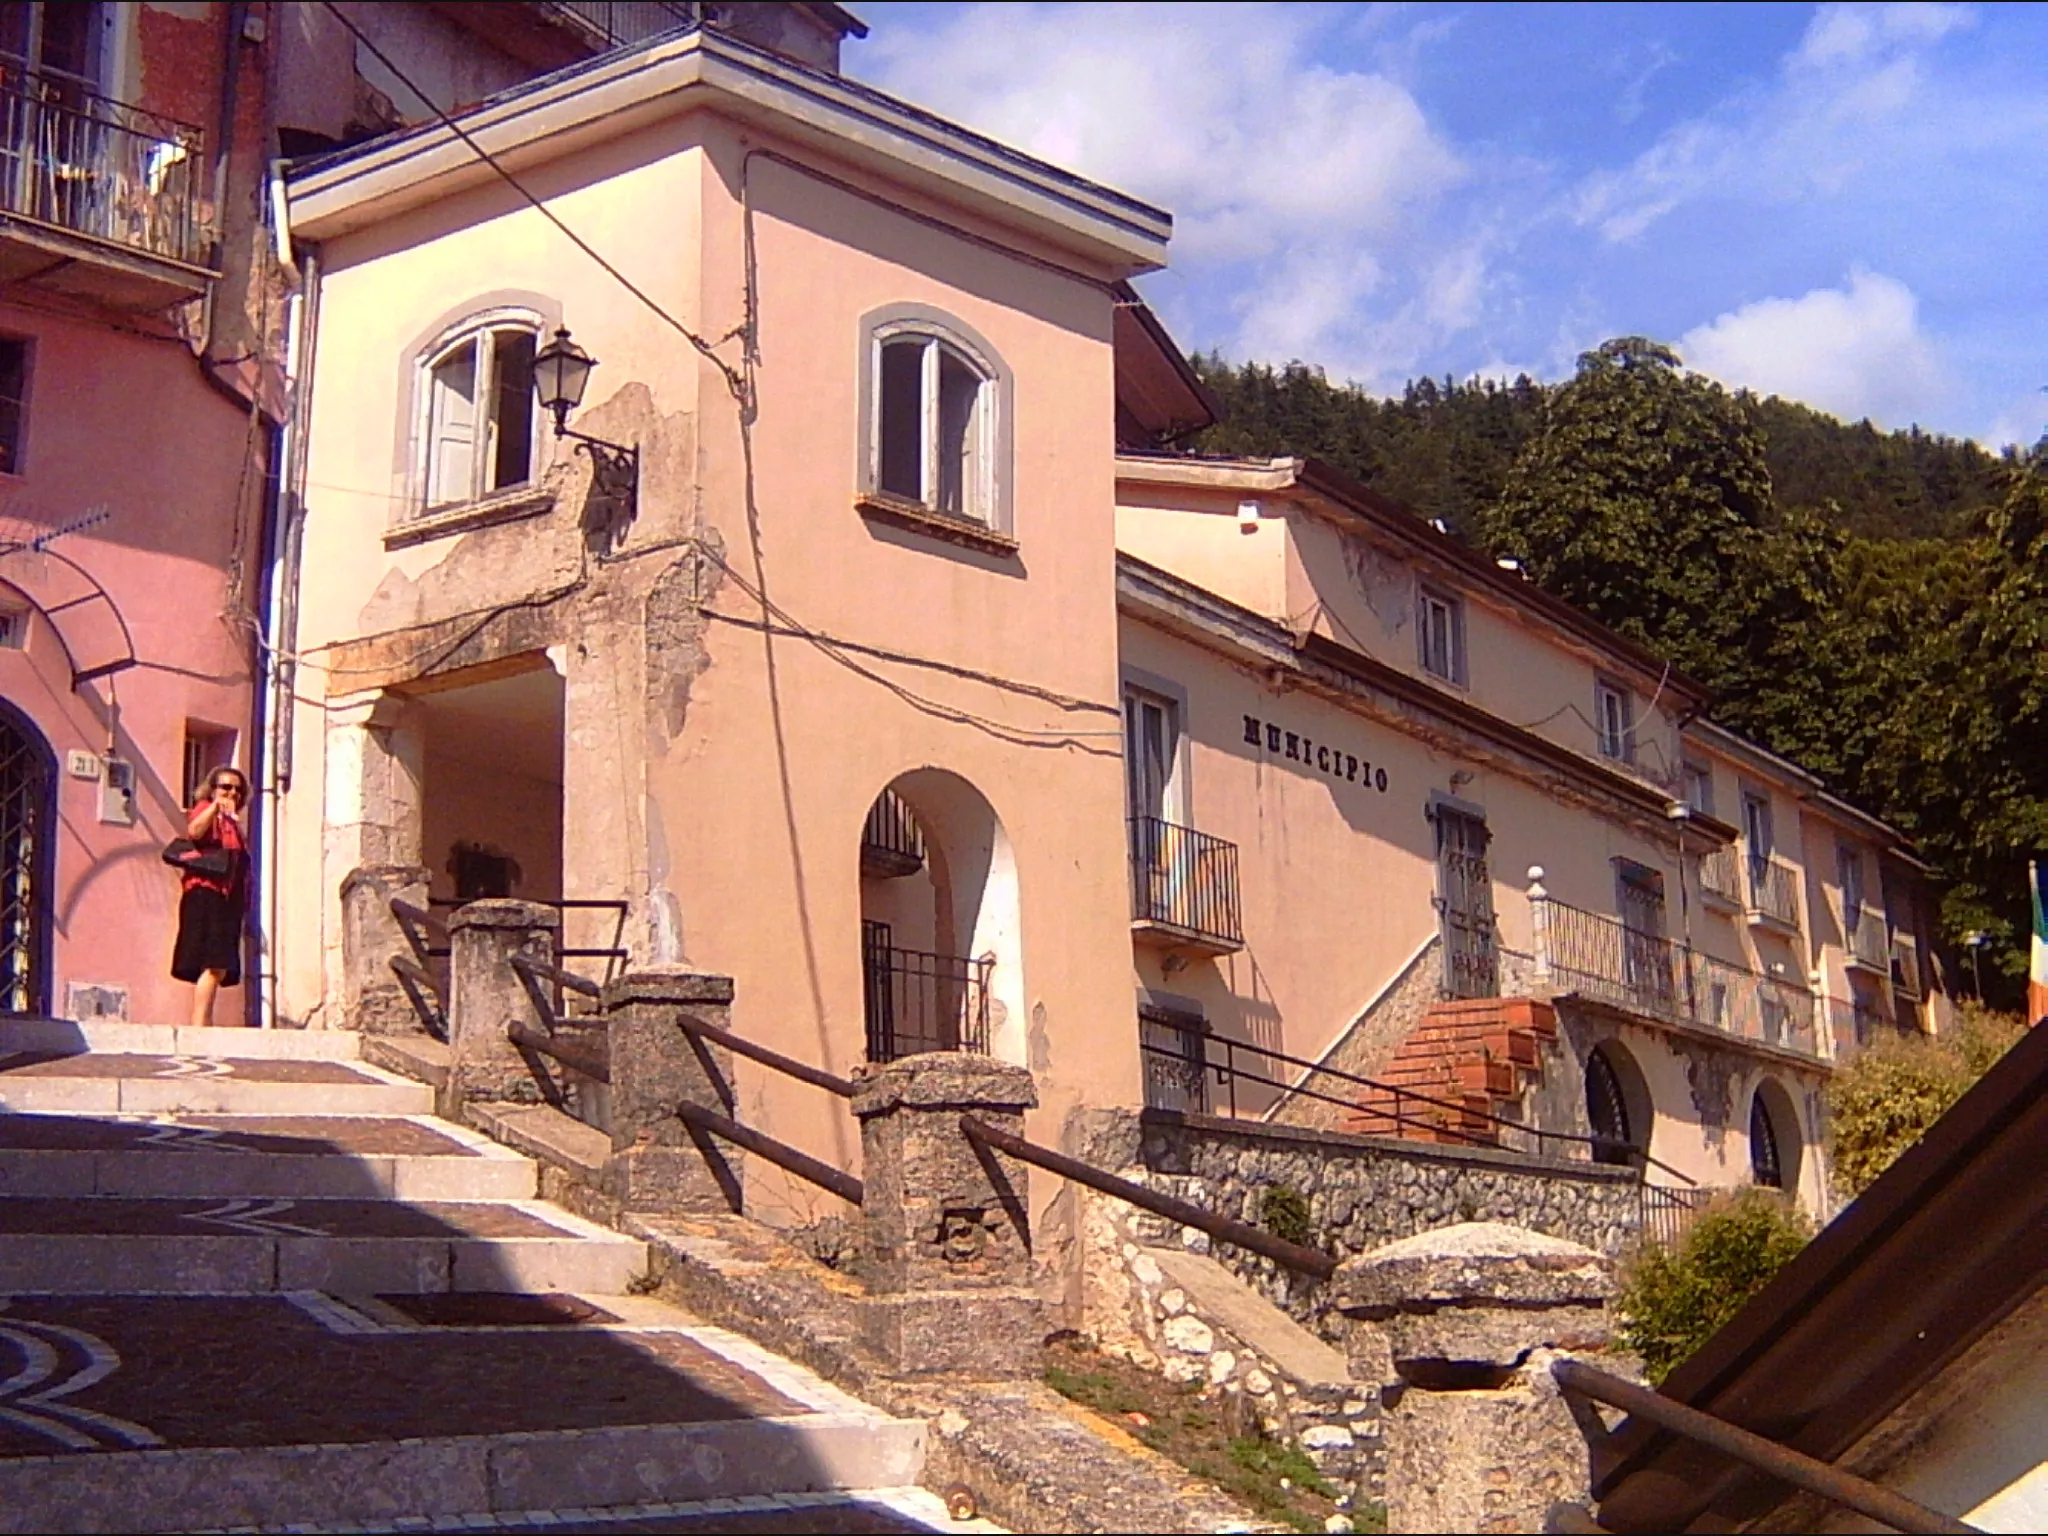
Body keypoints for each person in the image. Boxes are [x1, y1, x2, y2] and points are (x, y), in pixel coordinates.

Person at [171, 766, 250, 1028]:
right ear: (213, 789)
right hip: (205, 892)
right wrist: (215, 807)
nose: (232, 793)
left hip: (227, 898)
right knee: (214, 961)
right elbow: (194, 832)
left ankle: (203, 1021)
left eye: (237, 789)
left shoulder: (234, 824)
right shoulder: (206, 809)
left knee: (219, 964)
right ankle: (200, 1024)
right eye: (225, 787)